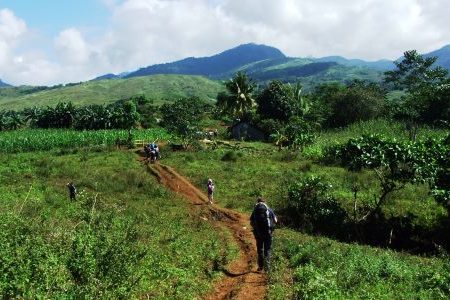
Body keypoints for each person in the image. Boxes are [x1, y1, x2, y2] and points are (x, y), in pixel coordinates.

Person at [250, 197, 277, 272]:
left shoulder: (255, 210)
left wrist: (256, 229)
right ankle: (267, 269)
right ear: (265, 202)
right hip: (268, 233)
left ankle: (260, 267)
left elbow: (251, 222)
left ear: (257, 202)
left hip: (258, 233)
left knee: (260, 249)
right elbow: (275, 220)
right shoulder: (269, 210)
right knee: (267, 249)